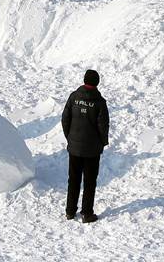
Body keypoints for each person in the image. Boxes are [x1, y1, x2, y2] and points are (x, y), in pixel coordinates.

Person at [61, 69, 109, 223]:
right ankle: (87, 213)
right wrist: (103, 141)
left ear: (84, 80)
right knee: (89, 182)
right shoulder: (100, 102)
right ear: (97, 83)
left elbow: (65, 118)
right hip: (92, 150)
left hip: (74, 147)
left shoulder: (74, 97)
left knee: (73, 179)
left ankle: (70, 211)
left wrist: (70, 137)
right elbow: (103, 125)